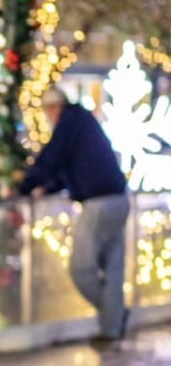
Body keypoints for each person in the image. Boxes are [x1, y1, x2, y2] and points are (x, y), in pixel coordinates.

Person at [19, 87, 129, 342]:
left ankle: (114, 315)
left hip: (99, 203)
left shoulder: (70, 121)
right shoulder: (82, 121)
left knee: (81, 269)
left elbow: (51, 159)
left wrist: (23, 186)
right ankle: (112, 326)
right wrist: (47, 187)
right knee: (113, 269)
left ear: (53, 107)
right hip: (119, 199)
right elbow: (70, 166)